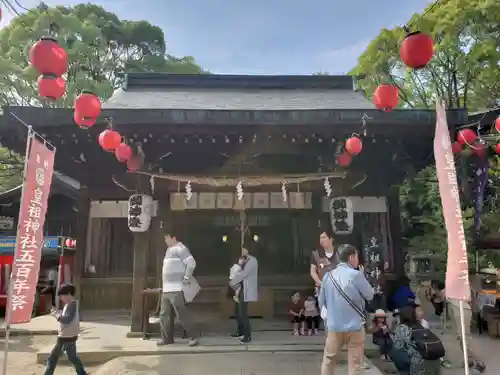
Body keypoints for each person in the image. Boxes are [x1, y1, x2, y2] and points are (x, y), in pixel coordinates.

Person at [318, 244, 374, 375]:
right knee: (355, 364)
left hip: (334, 326)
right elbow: (369, 295)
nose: (357, 259)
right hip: (354, 326)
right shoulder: (356, 275)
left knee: (329, 360)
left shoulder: (328, 276)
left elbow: (322, 301)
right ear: (351, 257)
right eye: (356, 256)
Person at [157, 231, 198, 347]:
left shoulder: (181, 249)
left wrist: (186, 277)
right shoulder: (168, 250)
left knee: (182, 313)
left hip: (177, 288)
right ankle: (166, 338)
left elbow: (191, 263)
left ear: (174, 237)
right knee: (164, 314)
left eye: (167, 238)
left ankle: (193, 336)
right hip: (166, 289)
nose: (165, 240)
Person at [43, 284, 87, 375]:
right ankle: (82, 373)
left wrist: (56, 315)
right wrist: (58, 312)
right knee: (72, 357)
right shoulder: (72, 304)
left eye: (61, 296)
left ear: (68, 294)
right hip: (71, 335)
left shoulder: (71, 305)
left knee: (52, 358)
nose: (61, 298)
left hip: (65, 337)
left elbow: (67, 320)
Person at [390, 306, 442, 375]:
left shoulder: (401, 328)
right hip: (433, 359)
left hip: (417, 362)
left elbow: (397, 348)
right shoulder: (420, 326)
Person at [447, 292, 486, 373]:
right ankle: (469, 360)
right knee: (460, 336)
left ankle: (480, 363)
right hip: (454, 305)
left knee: (464, 337)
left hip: (460, 306)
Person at [229, 247, 258, 343]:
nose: (242, 251)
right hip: (240, 289)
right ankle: (240, 331)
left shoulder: (252, 261)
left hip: (246, 290)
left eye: (244, 249)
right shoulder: (245, 260)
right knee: (237, 312)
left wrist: (233, 282)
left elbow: (244, 274)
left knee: (243, 314)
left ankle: (247, 335)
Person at [310, 231, 339, 298]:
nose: (321, 240)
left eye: (324, 238)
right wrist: (320, 283)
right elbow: (313, 271)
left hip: (338, 289)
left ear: (331, 239)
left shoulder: (339, 252)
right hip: (323, 289)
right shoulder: (316, 254)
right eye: (320, 238)